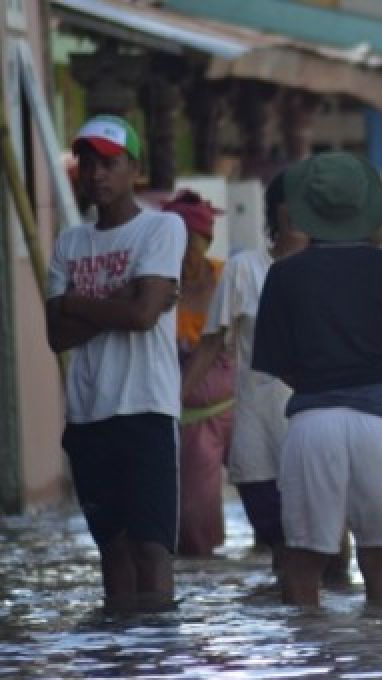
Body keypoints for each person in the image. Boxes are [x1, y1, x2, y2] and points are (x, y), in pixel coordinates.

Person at [252, 152, 382, 607]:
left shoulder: (283, 275)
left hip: (312, 423)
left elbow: (275, 362)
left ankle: (310, 665)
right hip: (381, 426)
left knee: (303, 560)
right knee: (381, 561)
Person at [45, 115, 186, 611]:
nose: (97, 173)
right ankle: (120, 667)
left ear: (134, 169)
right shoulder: (70, 241)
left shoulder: (163, 227)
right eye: (88, 162)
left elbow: (144, 316)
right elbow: (55, 335)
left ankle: (155, 658)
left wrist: (80, 302)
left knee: (152, 548)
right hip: (88, 416)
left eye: (110, 163)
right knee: (112, 550)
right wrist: (119, 301)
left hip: (146, 409)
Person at [181, 175, 306, 571]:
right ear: (275, 211)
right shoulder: (243, 270)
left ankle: (329, 633)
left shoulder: (329, 272)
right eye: (293, 202)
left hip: (316, 437)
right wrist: (168, 408)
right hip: (259, 438)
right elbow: (210, 346)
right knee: (279, 551)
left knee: (330, 555)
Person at [166, 190, 234, 558]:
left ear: (205, 242)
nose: (185, 255)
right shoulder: (157, 287)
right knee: (195, 523)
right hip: (190, 418)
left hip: (241, 407)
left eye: (191, 244)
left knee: (274, 503)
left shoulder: (226, 276)